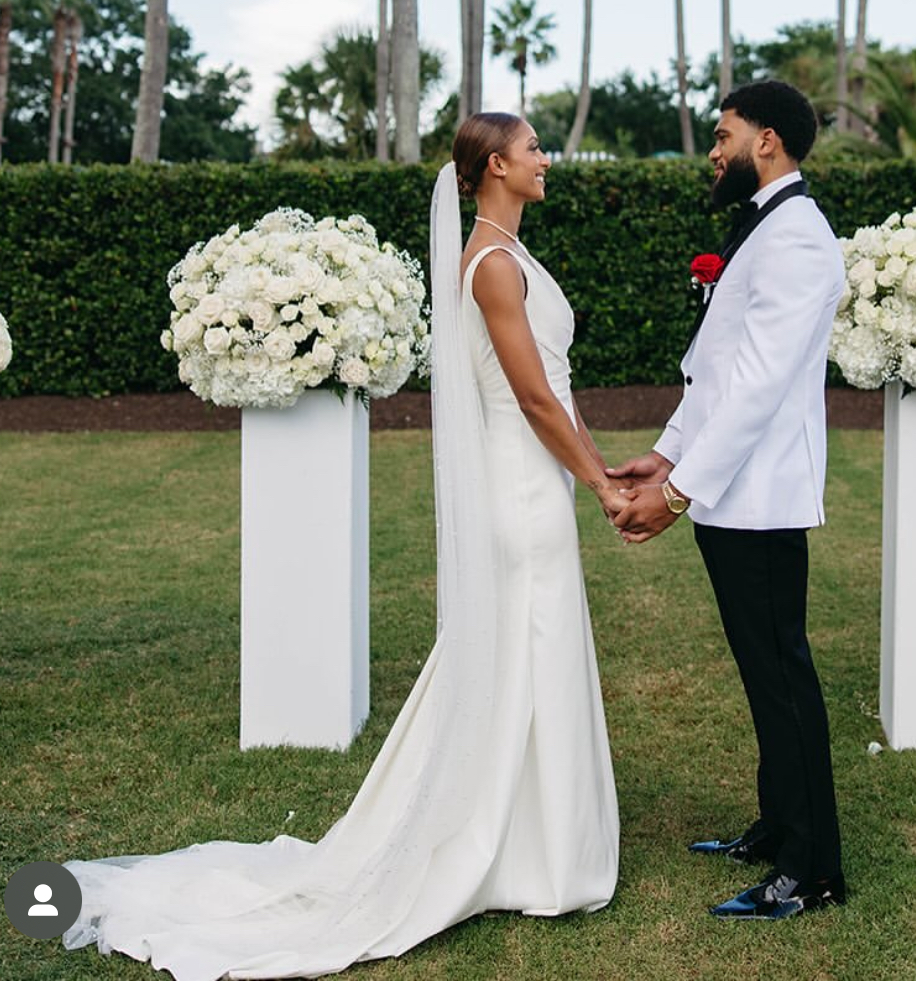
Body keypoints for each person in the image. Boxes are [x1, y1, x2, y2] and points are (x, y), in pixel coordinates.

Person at [62, 114, 626, 980]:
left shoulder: (510, 254)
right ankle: (529, 851)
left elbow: (559, 386)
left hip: (538, 477)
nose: (546, 159)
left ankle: (533, 841)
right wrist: (600, 483)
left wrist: (598, 470)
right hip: (520, 483)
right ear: (496, 165)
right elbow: (532, 398)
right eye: (533, 148)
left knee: (527, 652)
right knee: (527, 646)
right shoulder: (492, 265)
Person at [608, 80, 848, 922]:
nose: (713, 151)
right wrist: (667, 451)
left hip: (762, 496)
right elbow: (717, 368)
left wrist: (675, 492)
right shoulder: (764, 226)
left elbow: (759, 384)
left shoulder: (798, 235)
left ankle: (811, 870)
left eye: (723, 134)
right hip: (730, 492)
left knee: (783, 678)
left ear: (767, 140)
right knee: (762, 674)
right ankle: (778, 826)